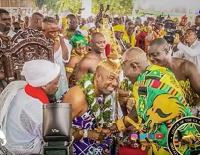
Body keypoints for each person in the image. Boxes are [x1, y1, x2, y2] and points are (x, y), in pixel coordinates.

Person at [110, 47, 192, 154]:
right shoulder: (160, 72)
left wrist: (136, 135)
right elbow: (139, 107)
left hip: (168, 145)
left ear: (134, 66)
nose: (124, 75)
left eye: (123, 68)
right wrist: (121, 125)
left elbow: (152, 133)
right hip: (186, 134)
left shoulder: (143, 85)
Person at [0, 60, 60, 154]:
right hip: (21, 150)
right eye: (55, 83)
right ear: (44, 85)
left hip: (10, 138)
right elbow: (54, 140)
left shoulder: (21, 88)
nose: (58, 86)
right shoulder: (38, 111)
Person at [62, 58, 121, 155]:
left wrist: (106, 129)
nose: (115, 83)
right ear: (98, 76)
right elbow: (58, 130)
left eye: (117, 79)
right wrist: (86, 134)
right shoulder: (77, 97)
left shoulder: (105, 93)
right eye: (111, 78)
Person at [147, 38, 200, 110]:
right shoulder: (151, 71)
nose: (151, 58)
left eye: (155, 55)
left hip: (188, 117)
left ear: (166, 50)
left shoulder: (186, 67)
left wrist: (196, 110)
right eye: (149, 55)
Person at [42, 16, 69, 99]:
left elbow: (66, 58)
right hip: (47, 82)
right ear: (43, 31)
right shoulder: (39, 44)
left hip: (61, 79)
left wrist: (62, 40)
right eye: (51, 31)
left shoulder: (63, 41)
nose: (55, 34)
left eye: (56, 30)